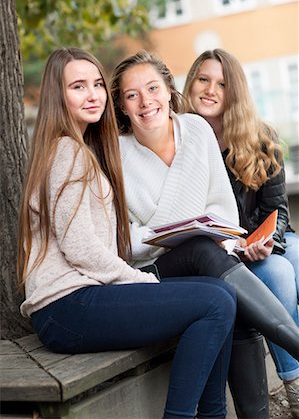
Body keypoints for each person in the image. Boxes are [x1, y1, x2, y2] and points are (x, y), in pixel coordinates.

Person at [17, 47, 241, 419]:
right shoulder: (67, 153)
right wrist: (141, 281)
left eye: (97, 85)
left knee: (219, 293)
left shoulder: (81, 149)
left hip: (83, 299)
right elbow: (82, 249)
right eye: (77, 86)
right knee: (215, 303)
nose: (92, 95)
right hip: (66, 306)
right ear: (58, 96)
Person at [110, 49, 299, 419]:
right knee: (207, 255)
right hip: (154, 270)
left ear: (168, 89)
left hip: (214, 253)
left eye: (152, 88)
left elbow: (223, 209)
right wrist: (170, 232)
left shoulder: (195, 131)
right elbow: (122, 242)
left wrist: (208, 233)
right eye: (132, 95)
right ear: (121, 104)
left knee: (229, 284)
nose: (146, 101)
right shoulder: (114, 154)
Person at [183, 48, 299, 418]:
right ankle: (294, 384)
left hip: (264, 240)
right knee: (281, 273)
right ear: (191, 82)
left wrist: (268, 241)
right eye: (203, 79)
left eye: (222, 84)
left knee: (293, 257)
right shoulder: (181, 141)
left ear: (236, 93)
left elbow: (278, 209)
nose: (211, 90)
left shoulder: (260, 137)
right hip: (223, 255)